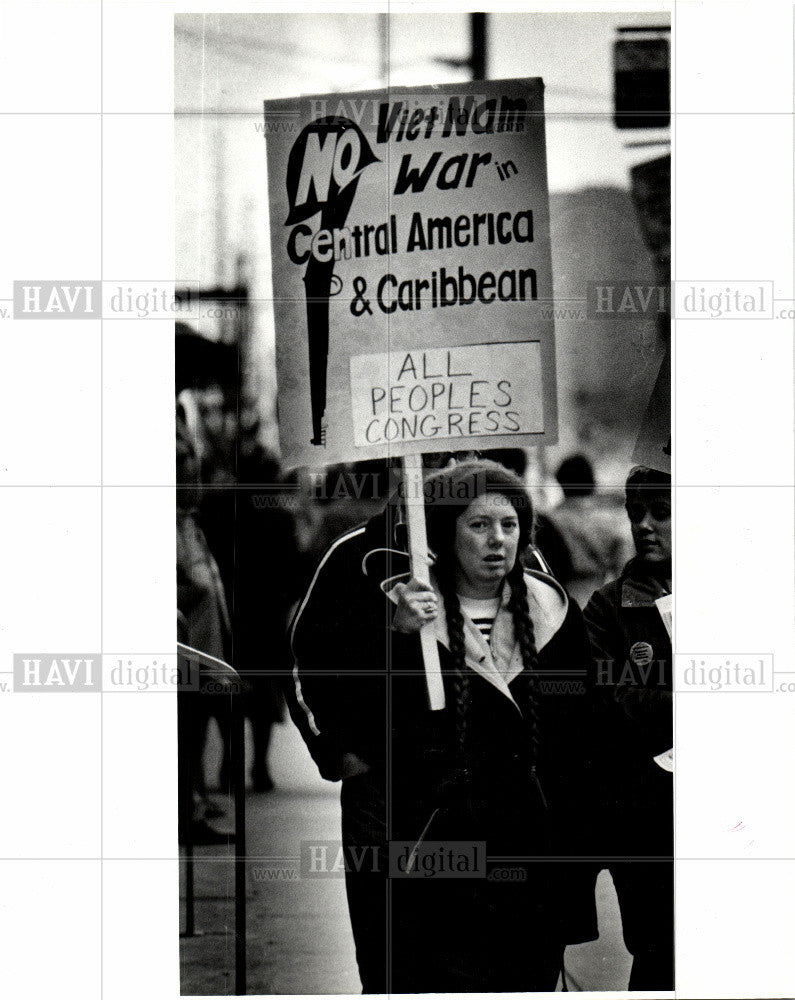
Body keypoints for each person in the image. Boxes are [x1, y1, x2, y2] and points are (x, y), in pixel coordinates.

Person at [288, 459, 598, 993]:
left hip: (521, 837)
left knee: (520, 973)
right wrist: (343, 749)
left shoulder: (547, 602)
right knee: (414, 969)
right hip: (413, 822)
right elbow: (313, 669)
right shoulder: (361, 559)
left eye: (508, 525)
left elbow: (582, 722)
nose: (497, 540)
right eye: (478, 526)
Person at [583, 466, 673, 991]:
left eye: (660, 512)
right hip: (644, 809)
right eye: (635, 512)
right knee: (661, 944)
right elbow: (610, 700)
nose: (644, 525)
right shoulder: (610, 606)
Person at [542, 454, 628, 608]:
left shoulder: (547, 521)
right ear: (592, 482)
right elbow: (623, 574)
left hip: (557, 603)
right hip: (599, 602)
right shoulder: (611, 523)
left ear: (560, 482)